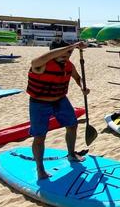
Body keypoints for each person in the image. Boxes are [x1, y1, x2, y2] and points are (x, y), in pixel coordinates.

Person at [27, 40, 90, 180]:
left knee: (72, 125)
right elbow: (37, 60)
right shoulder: (40, 64)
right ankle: (40, 169)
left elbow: (78, 78)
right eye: (64, 53)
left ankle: (71, 154)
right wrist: (73, 45)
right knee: (39, 137)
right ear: (53, 53)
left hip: (60, 100)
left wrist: (82, 86)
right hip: (39, 103)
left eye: (69, 53)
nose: (66, 56)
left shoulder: (69, 65)